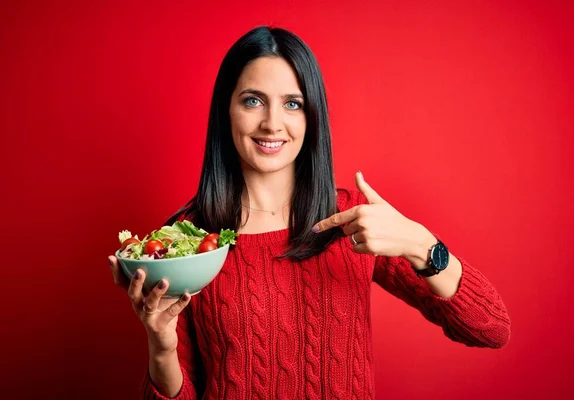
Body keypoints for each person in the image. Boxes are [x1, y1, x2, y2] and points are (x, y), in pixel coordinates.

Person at [108, 26, 510, 399]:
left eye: (293, 104)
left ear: (312, 115)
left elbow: (490, 329)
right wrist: (160, 345)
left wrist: (422, 245)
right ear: (226, 110)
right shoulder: (187, 240)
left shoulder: (351, 217)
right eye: (253, 100)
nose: (272, 123)